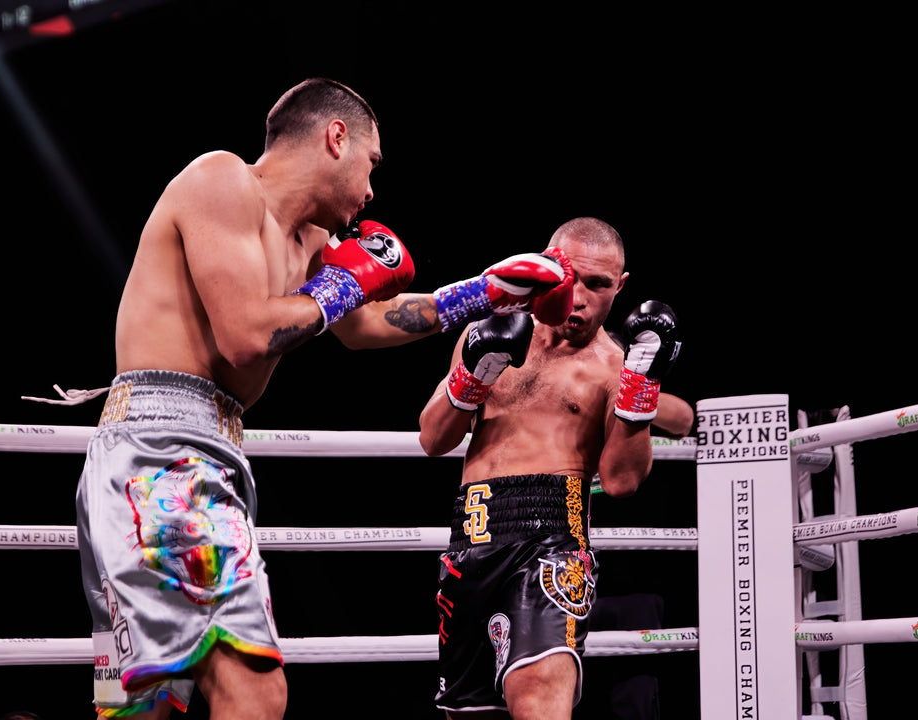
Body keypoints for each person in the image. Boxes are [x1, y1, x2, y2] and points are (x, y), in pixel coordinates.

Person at [75, 77, 576, 720]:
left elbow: (366, 323)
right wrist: (344, 284)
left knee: (145, 704)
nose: (372, 191)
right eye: (371, 165)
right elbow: (246, 337)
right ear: (336, 138)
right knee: (253, 688)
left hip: (181, 458)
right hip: (164, 455)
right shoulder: (221, 181)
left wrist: (486, 290)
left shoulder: (310, 243)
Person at [417, 216, 682, 720]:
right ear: (548, 263)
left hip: (552, 540)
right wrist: (474, 373)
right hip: (469, 539)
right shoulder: (488, 331)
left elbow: (623, 481)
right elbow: (433, 437)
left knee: (540, 701)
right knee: (468, 715)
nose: (579, 297)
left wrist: (641, 388)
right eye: (572, 277)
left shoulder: (612, 366)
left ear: (620, 287)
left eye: (599, 285)